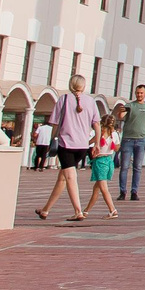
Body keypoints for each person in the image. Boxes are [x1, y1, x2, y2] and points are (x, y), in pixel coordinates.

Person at [35, 76, 103, 221]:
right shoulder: (91, 101)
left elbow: (54, 123)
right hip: (82, 146)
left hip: (66, 145)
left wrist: (52, 140)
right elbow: (97, 124)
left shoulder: (63, 99)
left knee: (70, 177)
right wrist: (97, 143)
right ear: (83, 86)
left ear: (71, 85)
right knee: (63, 178)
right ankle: (45, 210)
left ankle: (78, 211)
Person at [117, 83, 145, 204]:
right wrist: (121, 111)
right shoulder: (130, 105)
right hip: (128, 140)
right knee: (124, 166)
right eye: (137, 93)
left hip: (141, 140)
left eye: (141, 93)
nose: (139, 95)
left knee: (138, 167)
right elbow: (121, 115)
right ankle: (122, 191)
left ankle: (134, 191)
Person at [86, 113, 120, 218]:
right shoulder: (115, 134)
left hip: (100, 162)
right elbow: (117, 148)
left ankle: (112, 210)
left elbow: (89, 143)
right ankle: (86, 211)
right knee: (96, 188)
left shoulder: (100, 133)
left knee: (104, 188)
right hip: (109, 161)